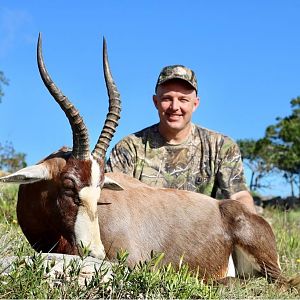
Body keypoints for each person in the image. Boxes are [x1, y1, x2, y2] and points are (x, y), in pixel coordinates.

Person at [106, 65, 256, 213]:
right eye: (167, 99)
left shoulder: (221, 146)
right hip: (144, 233)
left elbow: (239, 195)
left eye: (183, 99)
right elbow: (110, 198)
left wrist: (250, 221)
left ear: (195, 104)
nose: (174, 107)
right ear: (155, 102)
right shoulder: (128, 148)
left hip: (202, 232)